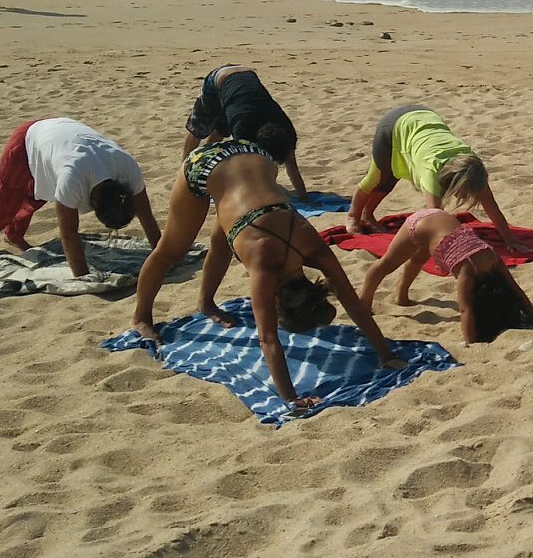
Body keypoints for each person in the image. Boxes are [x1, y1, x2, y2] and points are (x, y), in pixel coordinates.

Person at [131, 135, 401, 411]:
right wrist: (291, 398)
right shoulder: (265, 266)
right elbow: (268, 338)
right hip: (204, 165)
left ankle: (206, 302)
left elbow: (351, 301)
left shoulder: (313, 244)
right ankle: (141, 317)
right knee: (170, 251)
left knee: (223, 242)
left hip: (254, 154)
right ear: (277, 300)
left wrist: (386, 354)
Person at [0, 117, 162, 277]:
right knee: (3, 202)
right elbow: (69, 233)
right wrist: (84, 277)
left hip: (62, 136)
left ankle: (14, 236)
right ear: (94, 202)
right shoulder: (72, 178)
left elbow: (147, 216)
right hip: (27, 141)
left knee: (34, 198)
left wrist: (162, 254)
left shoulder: (129, 170)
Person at [359, 207, 533, 344]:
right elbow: (466, 310)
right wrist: (471, 343)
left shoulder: (494, 258)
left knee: (418, 259)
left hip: (441, 219)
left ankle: (402, 295)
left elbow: (516, 291)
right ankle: (363, 303)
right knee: (387, 264)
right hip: (417, 224)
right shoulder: (468, 270)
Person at [349, 106, 523, 250]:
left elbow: (492, 208)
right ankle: (353, 216)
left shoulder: (473, 169)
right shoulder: (432, 171)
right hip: (393, 125)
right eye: (464, 192)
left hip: (426, 117)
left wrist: (510, 240)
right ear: (454, 182)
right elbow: (434, 217)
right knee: (377, 177)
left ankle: (368, 216)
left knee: (390, 179)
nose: (467, 196)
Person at [182, 65, 308, 196]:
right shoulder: (243, 131)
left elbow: (293, 167)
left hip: (245, 79)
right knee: (198, 130)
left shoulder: (287, 133)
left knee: (222, 129)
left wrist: (303, 196)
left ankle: (206, 167)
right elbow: (246, 172)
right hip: (218, 80)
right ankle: (184, 172)